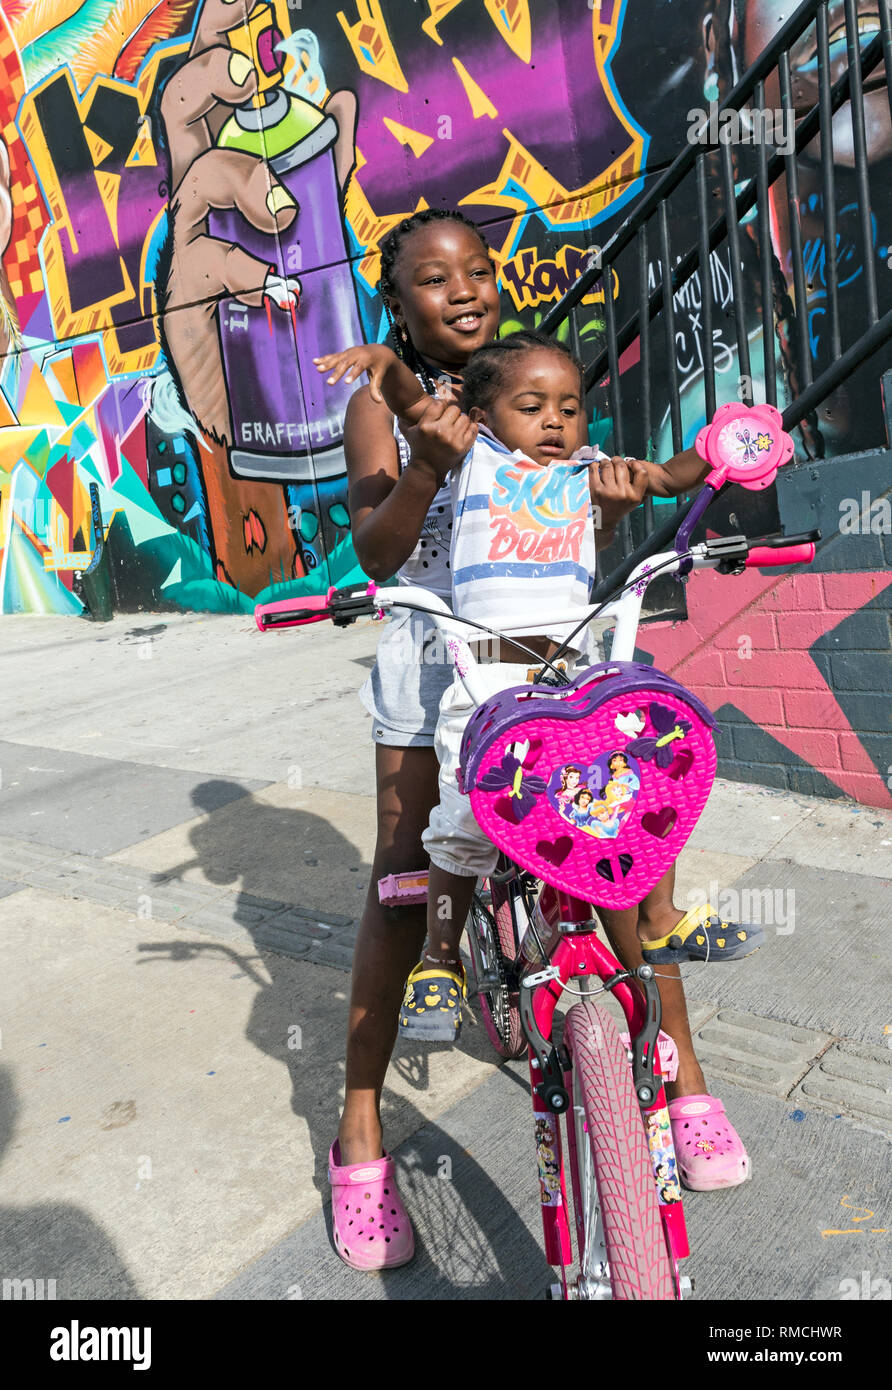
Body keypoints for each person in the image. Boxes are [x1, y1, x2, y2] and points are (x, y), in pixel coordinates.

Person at [314, 211, 756, 1272]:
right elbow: (377, 547)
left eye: (477, 270)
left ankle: (680, 1075)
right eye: (432, 278)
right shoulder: (381, 403)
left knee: (625, 842)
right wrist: (429, 462)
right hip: (435, 657)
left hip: (548, 647)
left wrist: (605, 500)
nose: (462, 290)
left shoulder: (536, 382)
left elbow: (555, 523)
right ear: (396, 297)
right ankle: (361, 1134)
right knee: (405, 869)